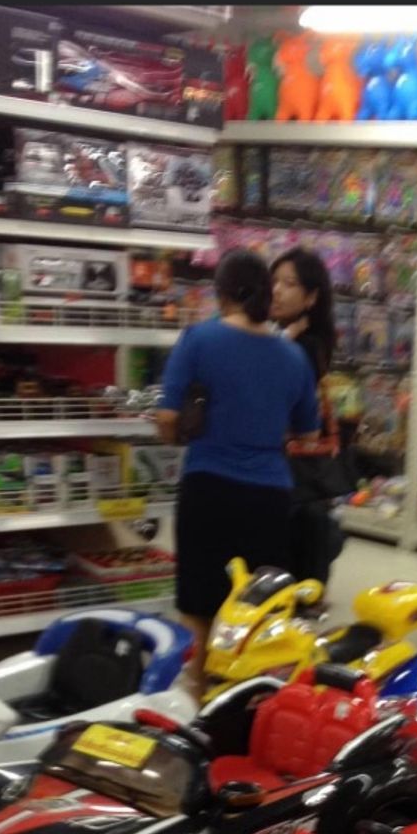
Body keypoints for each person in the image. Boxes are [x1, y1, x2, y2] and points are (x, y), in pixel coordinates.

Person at [156, 249, 317, 698]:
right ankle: (250, 702)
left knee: (200, 605)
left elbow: (167, 417)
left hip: (208, 488)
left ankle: (197, 698)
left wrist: (186, 433)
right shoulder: (293, 357)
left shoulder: (198, 340)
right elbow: (308, 431)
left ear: (221, 293)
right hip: (269, 496)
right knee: (258, 608)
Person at [270, 246, 345, 592]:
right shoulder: (291, 337)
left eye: (289, 284)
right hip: (296, 478)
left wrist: (284, 338)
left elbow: (275, 388)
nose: (277, 291)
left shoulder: (304, 346)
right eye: (274, 281)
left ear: (311, 297)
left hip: (293, 475)